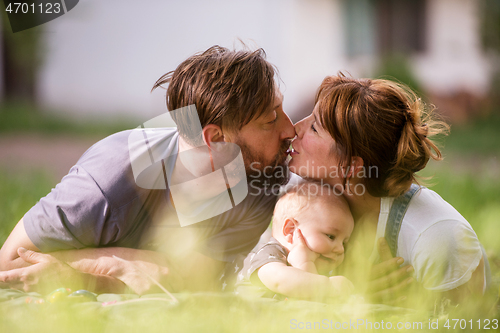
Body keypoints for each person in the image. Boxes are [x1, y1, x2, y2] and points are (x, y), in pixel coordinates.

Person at [0, 45, 296, 294]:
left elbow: (188, 281)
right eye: (270, 120)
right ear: (216, 140)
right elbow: (9, 265)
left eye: (282, 109)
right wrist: (123, 266)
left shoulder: (262, 181)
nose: (290, 129)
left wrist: (94, 269)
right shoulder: (107, 183)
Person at [288, 73, 487, 306]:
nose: (295, 128)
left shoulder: (436, 237)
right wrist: (354, 298)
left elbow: (468, 324)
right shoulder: (299, 198)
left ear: (351, 165)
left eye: (314, 128)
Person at [236, 180, 354, 302]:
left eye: (344, 242)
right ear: (290, 230)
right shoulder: (268, 254)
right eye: (330, 236)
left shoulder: (319, 270)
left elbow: (310, 302)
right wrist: (328, 286)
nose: (340, 249)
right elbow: (279, 281)